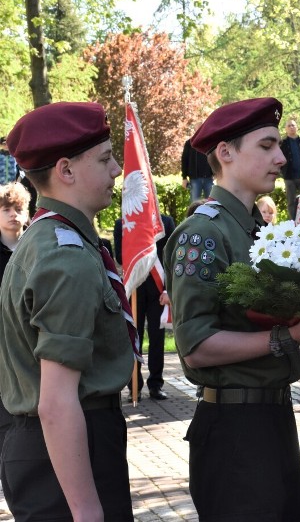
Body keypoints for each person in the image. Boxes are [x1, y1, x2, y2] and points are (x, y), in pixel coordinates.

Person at [166, 97, 300, 521]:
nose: (281, 157)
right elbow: (196, 346)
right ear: (225, 152)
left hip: (272, 417)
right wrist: (291, 336)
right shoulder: (202, 235)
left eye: (278, 146)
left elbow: (279, 348)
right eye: (266, 146)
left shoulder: (259, 231)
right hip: (232, 429)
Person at [0, 102, 135, 521]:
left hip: (54, 449)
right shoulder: (66, 254)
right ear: (66, 170)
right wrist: (86, 510)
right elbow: (57, 402)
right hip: (70, 449)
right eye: (106, 157)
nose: (116, 170)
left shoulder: (49, 237)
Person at [113, 213, 176, 401]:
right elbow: (120, 257)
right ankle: (135, 385)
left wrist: (169, 290)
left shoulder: (165, 222)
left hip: (158, 288)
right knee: (134, 336)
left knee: (157, 338)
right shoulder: (122, 223)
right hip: (135, 288)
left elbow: (171, 256)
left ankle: (156, 384)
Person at [0, 181, 30, 454]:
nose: (13, 214)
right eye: (6, 208)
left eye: (18, 208)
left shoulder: (36, 247)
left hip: (29, 342)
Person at [280, 116, 300, 220]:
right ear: (286, 129)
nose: (291, 127)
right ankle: (293, 222)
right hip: (289, 177)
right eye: (289, 125)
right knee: (291, 202)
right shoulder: (282, 144)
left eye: (293, 125)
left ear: (297, 127)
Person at [181, 137, 214, 202]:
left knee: (212, 204)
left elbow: (214, 157)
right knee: (194, 204)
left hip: (208, 178)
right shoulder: (189, 143)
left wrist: (216, 173)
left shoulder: (209, 141)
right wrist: (184, 178)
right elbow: (184, 160)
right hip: (195, 179)